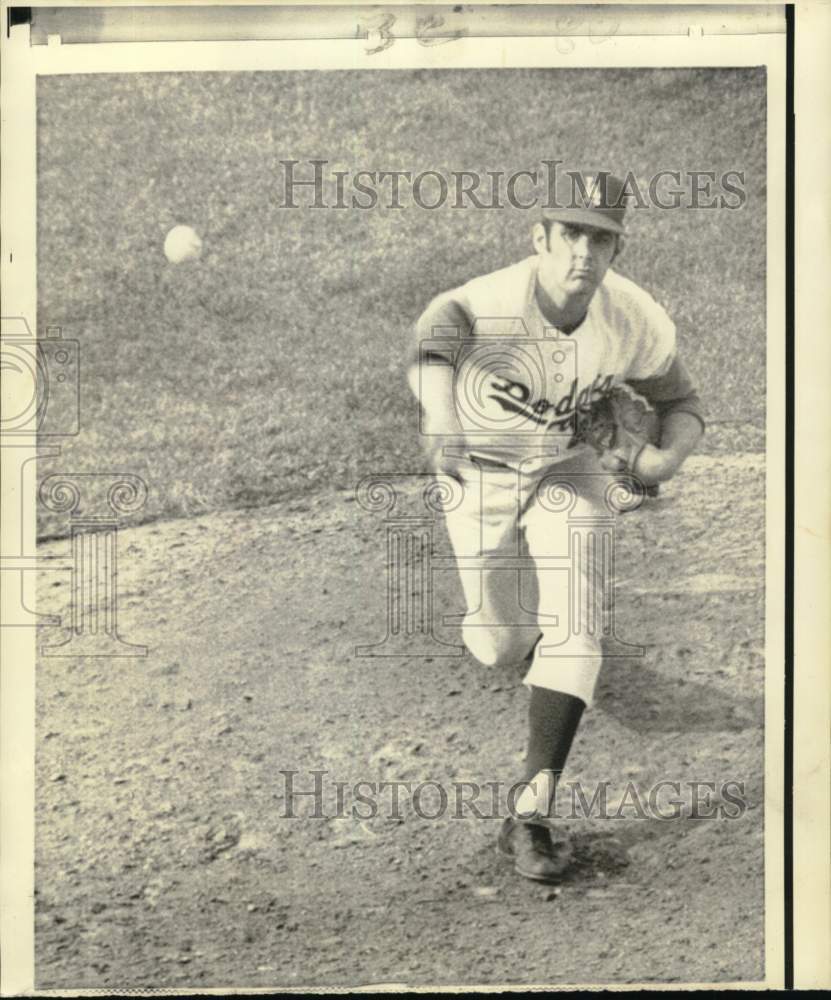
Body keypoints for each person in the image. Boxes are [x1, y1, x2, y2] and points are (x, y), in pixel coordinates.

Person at [407, 172, 705, 882]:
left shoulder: (630, 316)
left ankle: (531, 808)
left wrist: (659, 463)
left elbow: (682, 399)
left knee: (577, 625)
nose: (582, 251)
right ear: (539, 238)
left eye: (599, 237)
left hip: (567, 471)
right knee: (499, 644)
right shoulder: (495, 299)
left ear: (615, 247)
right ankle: (530, 644)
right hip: (477, 475)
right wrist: (441, 417)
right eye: (569, 233)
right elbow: (434, 336)